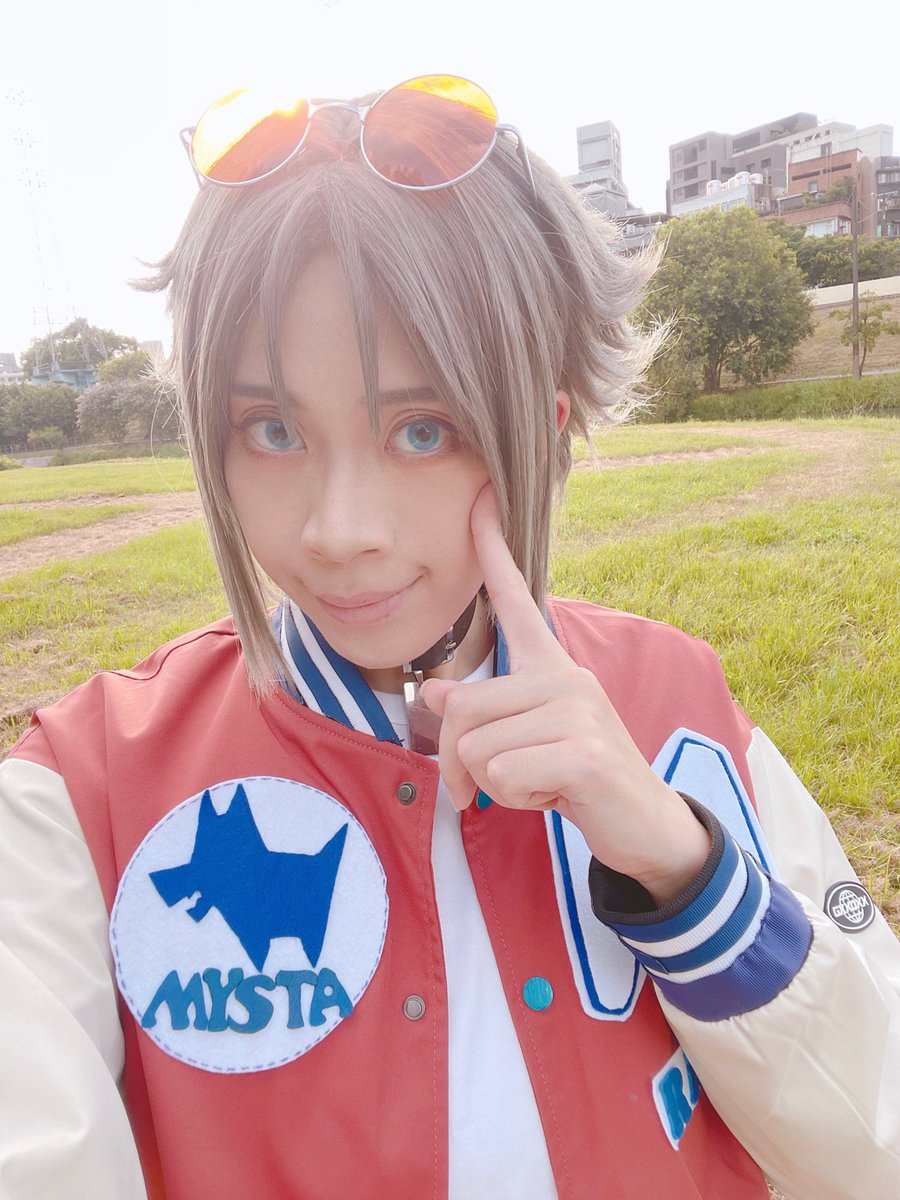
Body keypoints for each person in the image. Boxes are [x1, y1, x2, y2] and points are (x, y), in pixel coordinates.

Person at [0, 75, 898, 1200]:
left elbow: (874, 1148)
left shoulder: (680, 710)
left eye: (422, 430)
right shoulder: (83, 794)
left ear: (543, 431)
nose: (339, 532)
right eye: (270, 429)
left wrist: (687, 872)